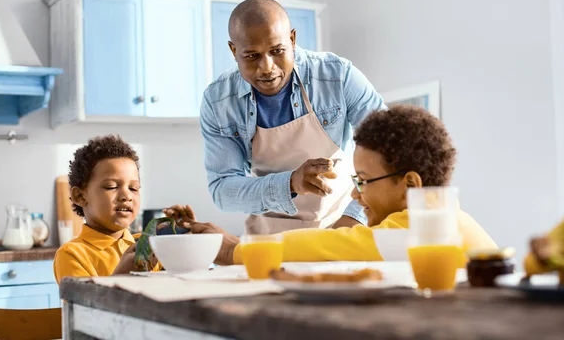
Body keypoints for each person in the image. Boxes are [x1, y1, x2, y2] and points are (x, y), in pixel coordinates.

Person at [175, 105, 497, 264]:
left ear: (410, 185)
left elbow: (333, 246)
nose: (356, 193)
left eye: (365, 181)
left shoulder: (421, 230)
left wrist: (234, 250)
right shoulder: (454, 218)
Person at [200, 0, 386, 234]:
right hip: (270, 238)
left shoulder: (338, 76)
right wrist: (290, 183)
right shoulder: (218, 102)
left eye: (277, 51)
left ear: (293, 39)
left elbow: (389, 154)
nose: (267, 67)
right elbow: (222, 189)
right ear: (234, 50)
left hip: (342, 226)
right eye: (251, 56)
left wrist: (355, 218)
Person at [53, 135, 161, 283]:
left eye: (133, 188)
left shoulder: (148, 245)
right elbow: (85, 305)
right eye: (111, 186)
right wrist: (121, 277)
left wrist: (199, 243)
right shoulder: (72, 254)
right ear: (80, 196)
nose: (126, 195)